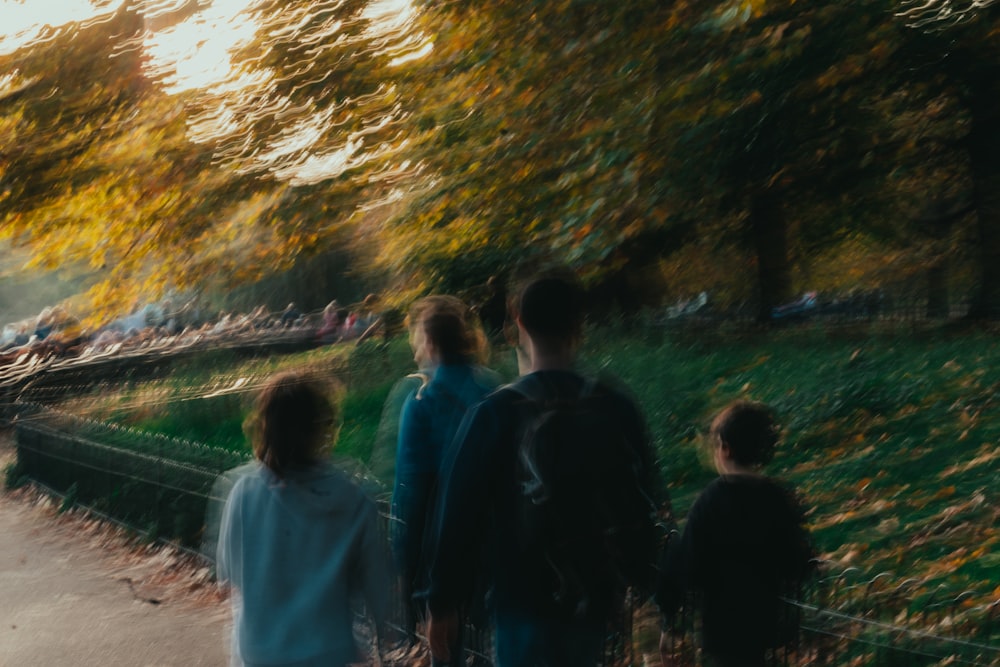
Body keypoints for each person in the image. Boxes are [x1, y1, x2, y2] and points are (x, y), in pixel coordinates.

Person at [425, 270, 663, 667]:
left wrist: (442, 602)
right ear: (578, 325)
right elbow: (642, 498)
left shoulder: (494, 413)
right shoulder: (614, 406)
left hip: (518, 600)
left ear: (517, 325)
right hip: (593, 598)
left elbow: (457, 513)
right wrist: (648, 592)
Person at [215, 371, 388, 667]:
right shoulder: (354, 498)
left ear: (265, 426)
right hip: (328, 652)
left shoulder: (242, 493)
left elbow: (228, 578)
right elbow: (378, 585)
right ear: (322, 429)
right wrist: (383, 633)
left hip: (260, 653)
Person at [655, 401, 815, 667]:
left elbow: (686, 561)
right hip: (766, 621)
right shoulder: (777, 498)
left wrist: (669, 621)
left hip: (722, 626)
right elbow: (798, 560)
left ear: (725, 449)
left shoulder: (711, 500)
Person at [391, 295, 501, 663]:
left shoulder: (422, 399)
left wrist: (405, 562)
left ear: (430, 342)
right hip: (493, 539)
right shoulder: (495, 389)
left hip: (440, 548)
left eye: (417, 340)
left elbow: (411, 488)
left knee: (445, 649)